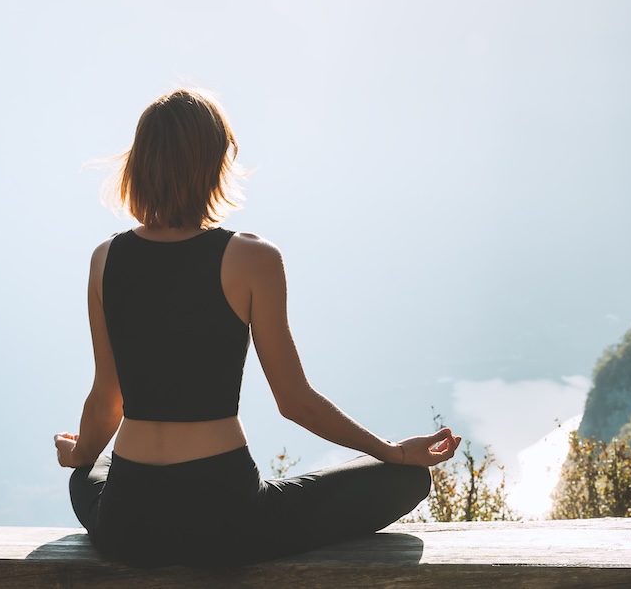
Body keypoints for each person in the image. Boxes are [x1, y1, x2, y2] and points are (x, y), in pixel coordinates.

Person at [55, 88, 460, 567]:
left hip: (129, 525)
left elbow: (107, 399)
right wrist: (389, 450)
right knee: (407, 478)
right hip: (227, 521)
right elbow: (294, 401)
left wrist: (80, 452)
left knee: (85, 474)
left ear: (140, 165)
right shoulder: (252, 259)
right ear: (212, 165)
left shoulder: (105, 260)